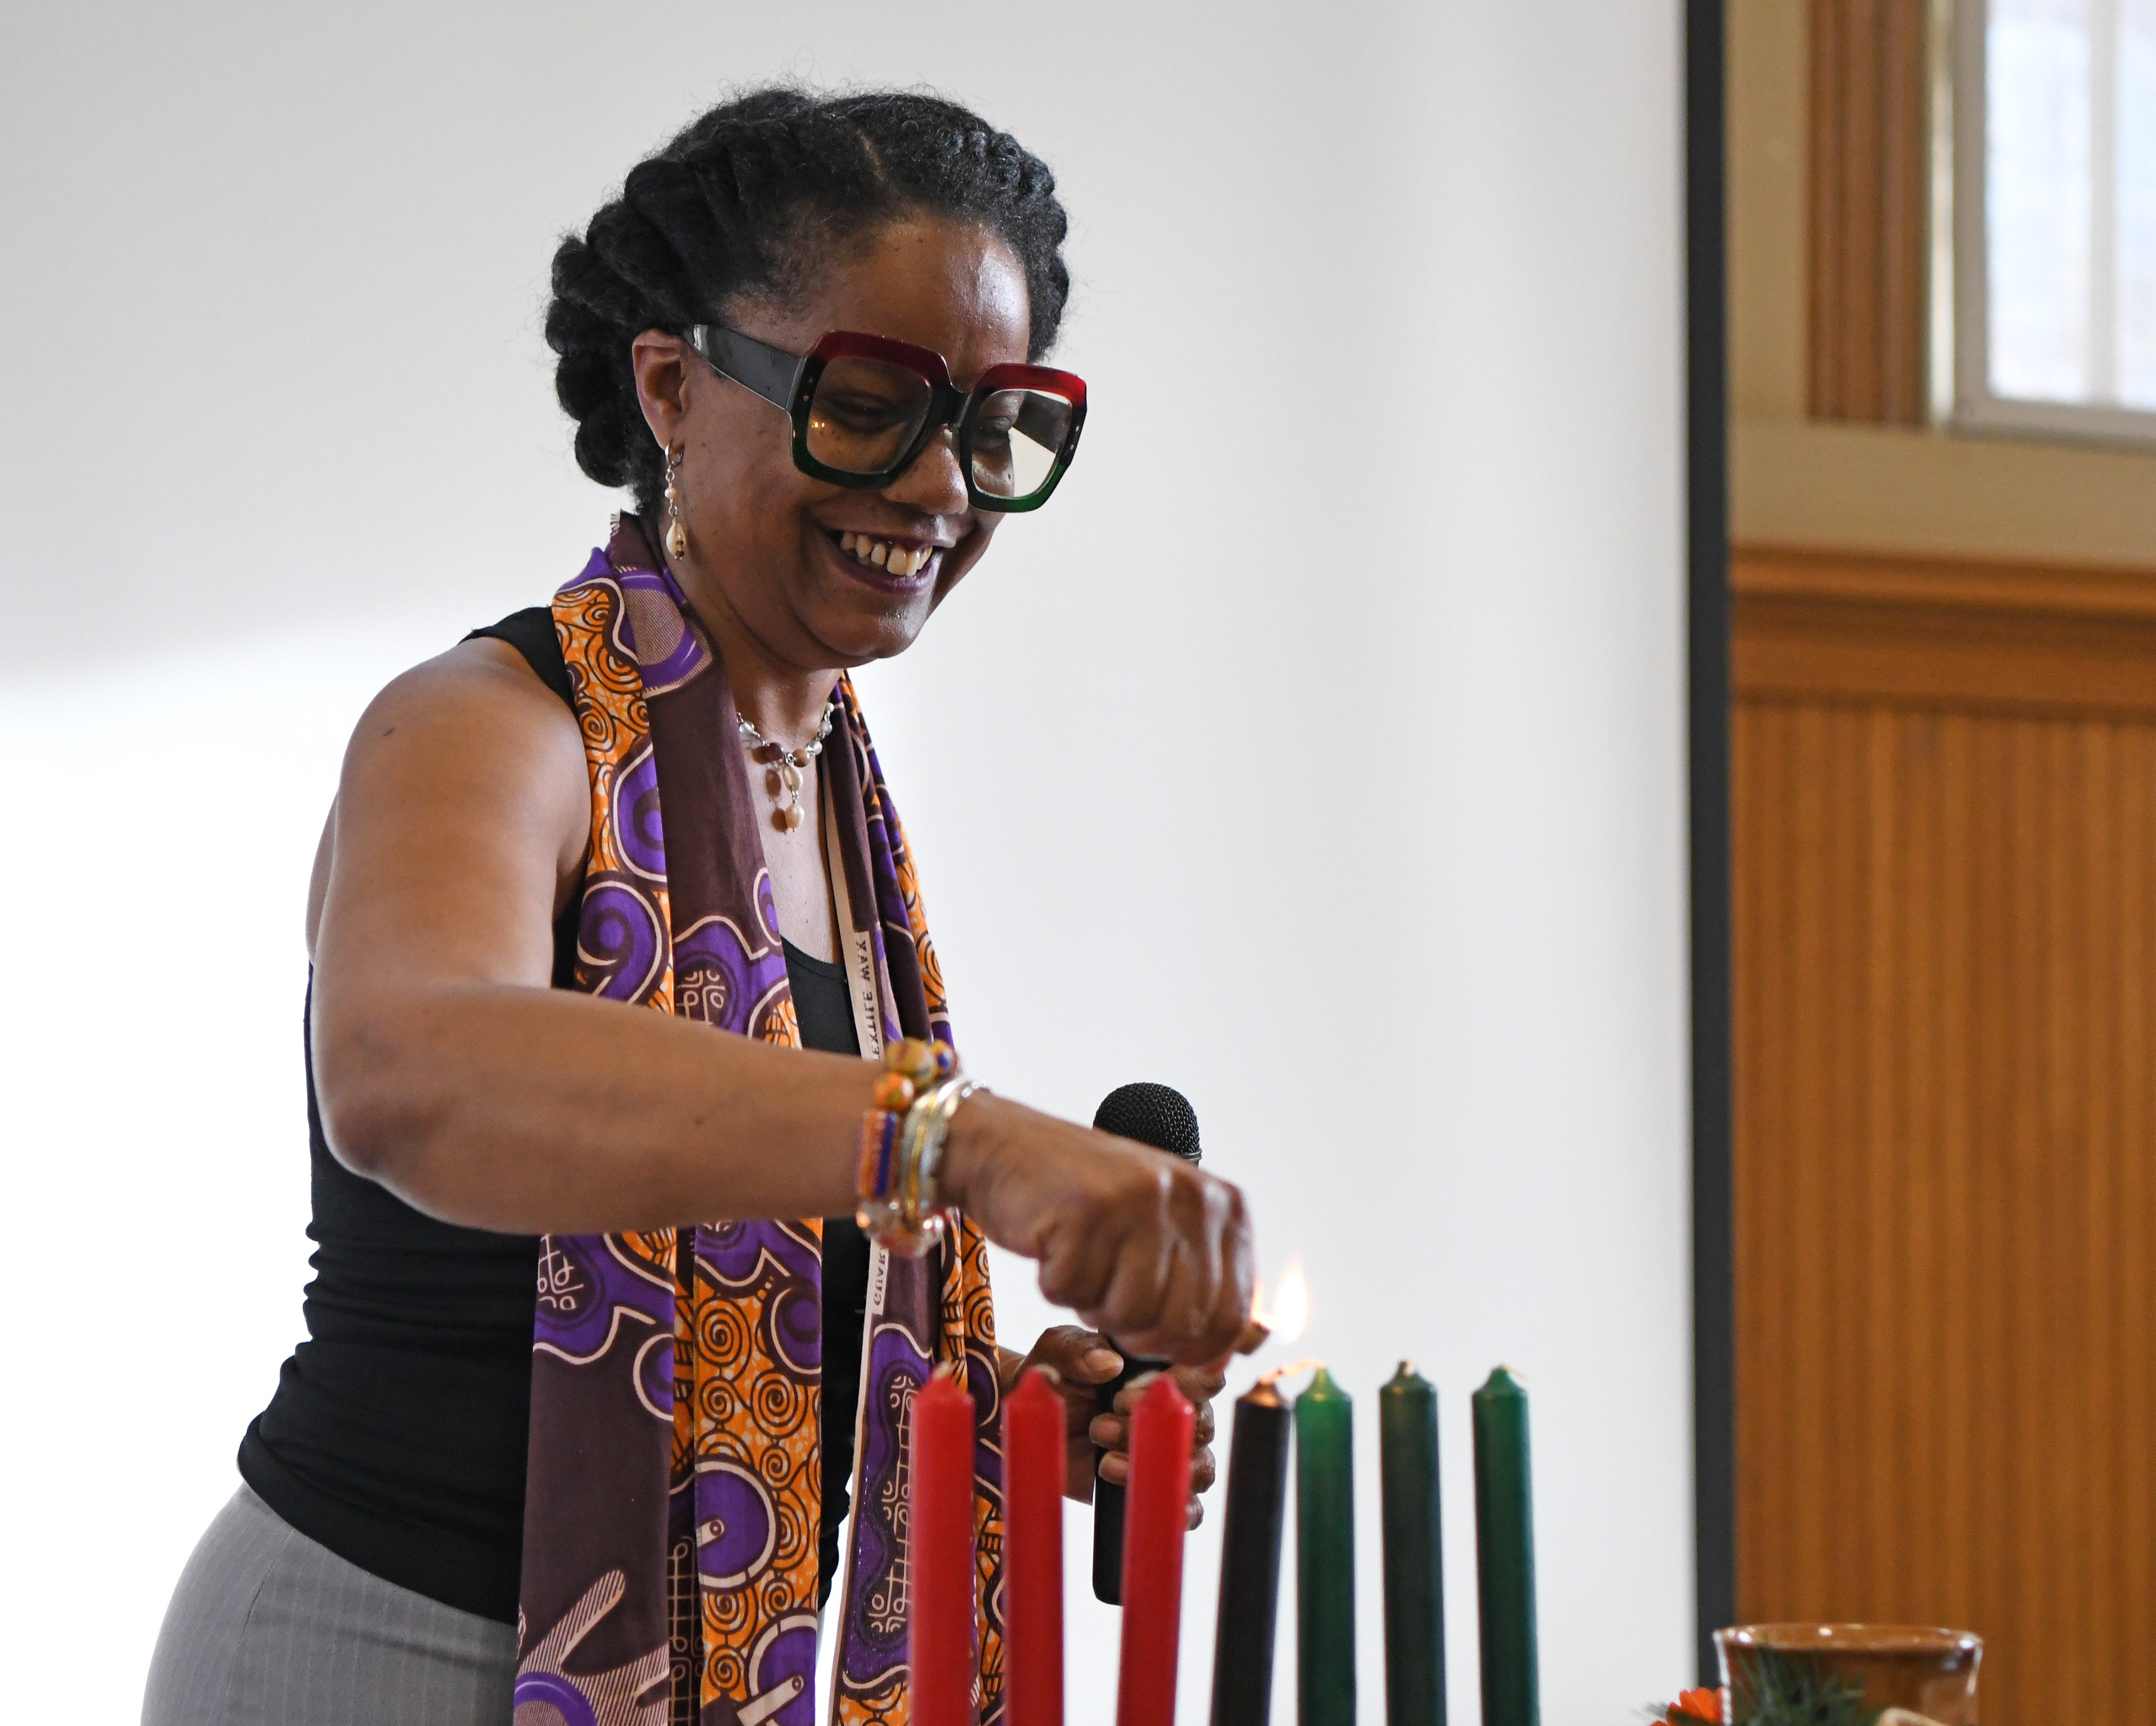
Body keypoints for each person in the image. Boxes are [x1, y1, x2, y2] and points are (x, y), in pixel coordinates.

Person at [142, 87, 1255, 1726]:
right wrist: (966, 1143)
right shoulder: (489, 723)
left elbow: (744, 1257)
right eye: (869, 402)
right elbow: (405, 1069)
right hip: (386, 1650)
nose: (941, 484)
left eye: (997, 424)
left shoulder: (834, 805)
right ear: (672, 383)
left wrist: (997, 1416)